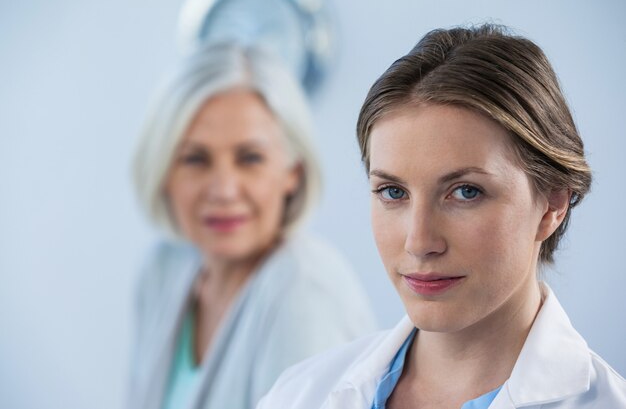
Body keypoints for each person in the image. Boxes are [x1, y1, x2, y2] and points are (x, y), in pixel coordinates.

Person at [258, 24, 626, 409]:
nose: (419, 242)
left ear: (553, 204)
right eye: (393, 192)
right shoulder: (299, 394)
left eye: (466, 192)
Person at [127, 42, 376, 409]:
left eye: (250, 158)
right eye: (195, 159)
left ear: (293, 172)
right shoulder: (163, 270)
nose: (224, 190)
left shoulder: (304, 293)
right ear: (164, 172)